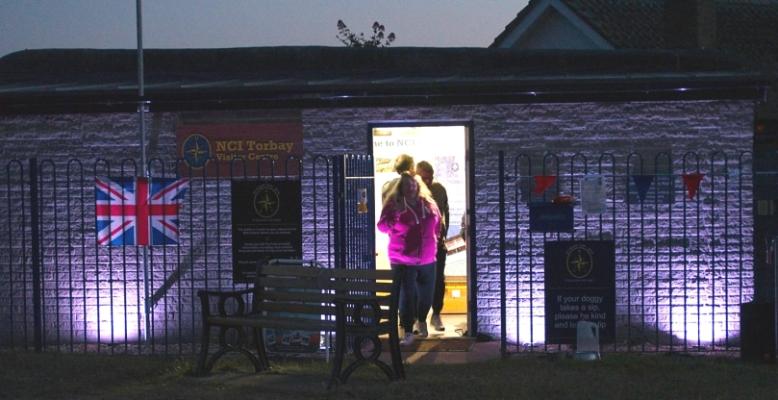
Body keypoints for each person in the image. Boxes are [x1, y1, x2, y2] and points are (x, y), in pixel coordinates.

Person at [377, 172, 441, 345]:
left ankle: (421, 320)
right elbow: (382, 227)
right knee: (406, 296)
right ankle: (407, 330)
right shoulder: (394, 205)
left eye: (413, 184)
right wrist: (396, 214)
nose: (411, 187)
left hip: (428, 258)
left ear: (418, 185)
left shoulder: (428, 203)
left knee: (426, 295)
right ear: (401, 187)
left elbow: (437, 223)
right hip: (403, 259)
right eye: (407, 185)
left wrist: (434, 240)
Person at [416, 161, 449, 332]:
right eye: (424, 178)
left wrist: (443, 236)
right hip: (417, 246)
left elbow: (445, 213)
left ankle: (436, 314)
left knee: (438, 280)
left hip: (436, 244)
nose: (427, 181)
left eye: (430, 178)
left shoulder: (439, 190)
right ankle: (416, 318)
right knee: (417, 280)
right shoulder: (412, 192)